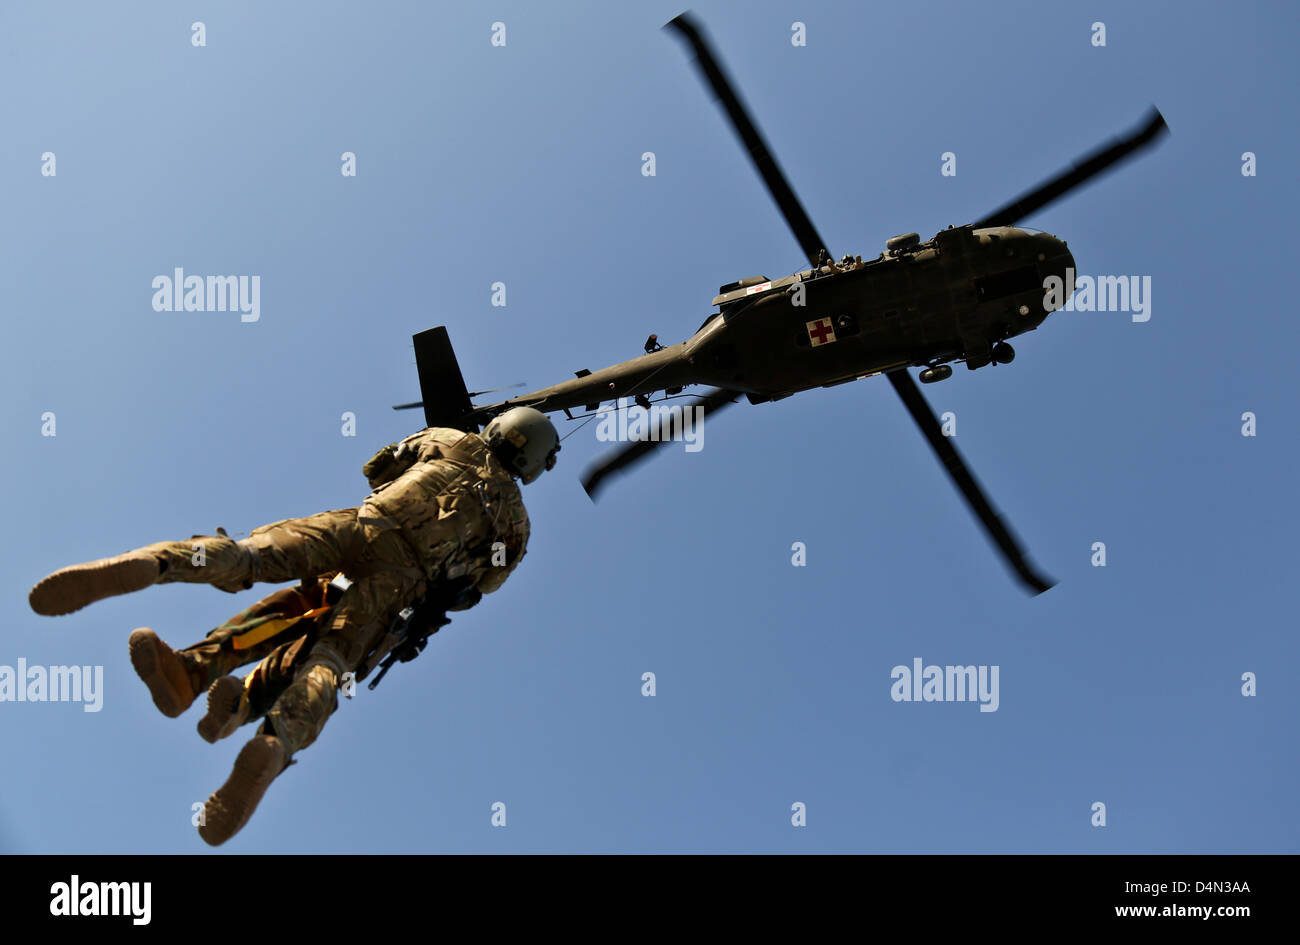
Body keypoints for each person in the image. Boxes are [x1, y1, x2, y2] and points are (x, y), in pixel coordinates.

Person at [28, 407, 559, 845]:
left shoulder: (449, 438)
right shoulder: (515, 525)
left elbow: (377, 468)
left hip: (360, 526)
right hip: (400, 583)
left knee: (251, 555)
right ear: (534, 463)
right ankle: (277, 739)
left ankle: (159, 567)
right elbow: (478, 591)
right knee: (328, 661)